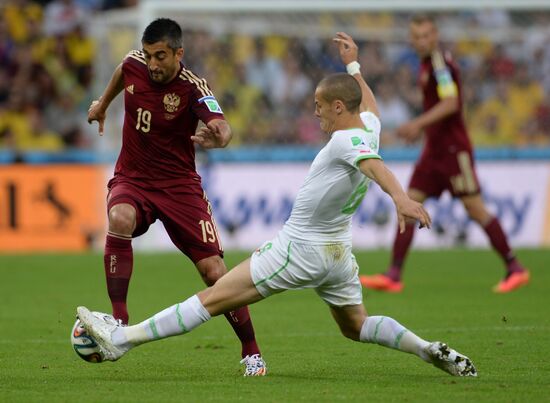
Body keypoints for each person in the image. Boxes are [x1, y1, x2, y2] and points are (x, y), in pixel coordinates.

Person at [77, 32, 477, 378]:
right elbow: (368, 106)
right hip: (338, 255)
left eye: (321, 104)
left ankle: (122, 340)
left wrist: (401, 197)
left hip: (299, 249)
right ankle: (425, 348)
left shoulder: (345, 142)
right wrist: (354, 66)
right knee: (357, 326)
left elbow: (373, 166)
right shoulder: (368, 127)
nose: (316, 111)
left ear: (339, 107)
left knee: (210, 299)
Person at [86, 18, 265, 375]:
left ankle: (251, 351)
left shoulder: (193, 87)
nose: (152, 64)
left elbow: (222, 126)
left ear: (178, 53)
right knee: (119, 218)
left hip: (179, 186)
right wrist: (104, 103)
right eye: (150, 55)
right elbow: (123, 69)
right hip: (133, 179)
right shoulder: (134, 64)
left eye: (161, 56)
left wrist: (221, 136)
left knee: (215, 271)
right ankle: (119, 323)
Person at [360, 14, 530, 294]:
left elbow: (451, 103)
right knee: (409, 203)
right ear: (411, 40)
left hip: (453, 150)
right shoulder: (425, 64)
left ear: (435, 35)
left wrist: (417, 123)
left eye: (427, 35)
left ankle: (515, 267)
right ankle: (393, 274)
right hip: (433, 151)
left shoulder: (440, 65)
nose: (422, 40)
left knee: (475, 209)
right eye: (417, 36)